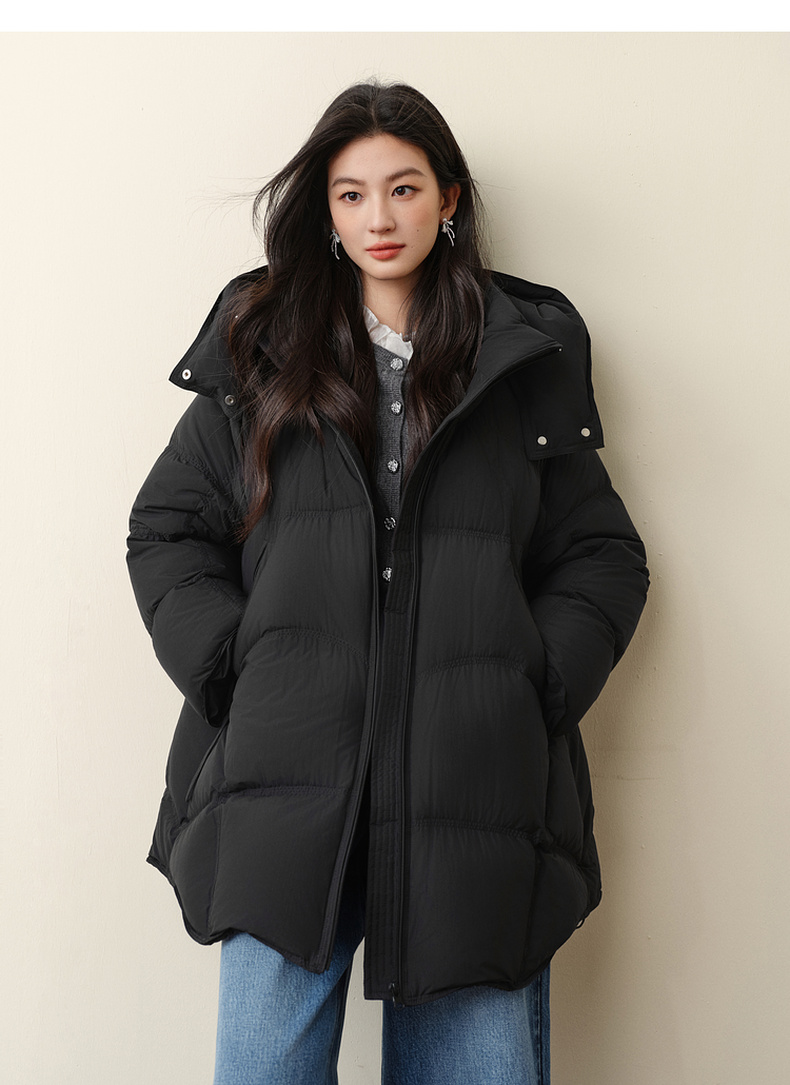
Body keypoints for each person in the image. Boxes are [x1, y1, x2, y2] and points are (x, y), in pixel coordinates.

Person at [126, 81, 649, 1085]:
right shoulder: (263, 351)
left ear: (447, 198)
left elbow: (601, 552)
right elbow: (168, 529)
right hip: (283, 776)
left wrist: (532, 682)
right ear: (325, 211)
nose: (379, 216)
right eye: (351, 193)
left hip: (473, 786)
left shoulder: (519, 358)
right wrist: (236, 668)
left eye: (403, 188)